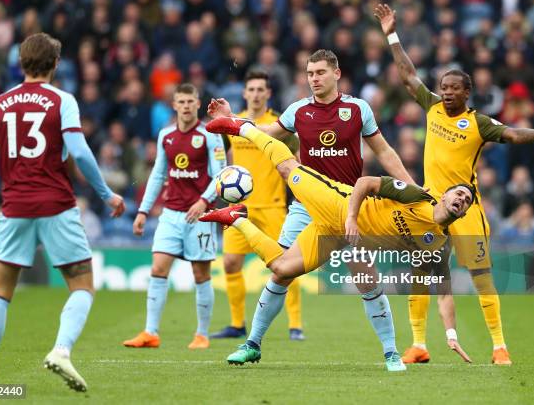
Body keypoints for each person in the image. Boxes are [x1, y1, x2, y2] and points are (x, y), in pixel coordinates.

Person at [200, 116, 474, 371]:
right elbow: (366, 182)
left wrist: (451, 335)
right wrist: (352, 218)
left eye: (467, 200)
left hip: (346, 236)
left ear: (463, 212)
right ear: (445, 195)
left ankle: (236, 219)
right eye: (459, 192)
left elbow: (445, 293)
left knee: (286, 269)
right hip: (338, 205)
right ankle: (243, 128)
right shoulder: (417, 197)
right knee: (287, 169)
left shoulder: (440, 243)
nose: (461, 199)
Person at [374, 3, 534, 365]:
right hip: (430, 206)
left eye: (454, 88)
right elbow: (407, 76)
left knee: (480, 275)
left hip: (466, 210)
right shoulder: (429, 106)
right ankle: (418, 345)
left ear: (467, 93)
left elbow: (510, 134)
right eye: (443, 86)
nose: (445, 92)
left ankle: (499, 347)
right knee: (421, 270)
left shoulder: (478, 123)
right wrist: (392, 35)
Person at [208, 49, 414, 360]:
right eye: (309, 73)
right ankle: (252, 344)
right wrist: (232, 118)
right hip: (306, 207)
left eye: (320, 72)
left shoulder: (358, 109)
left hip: (349, 207)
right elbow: (262, 133)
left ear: (336, 73)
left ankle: (391, 352)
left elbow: (384, 152)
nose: (314, 79)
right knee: (280, 272)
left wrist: (411, 188)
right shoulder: (298, 111)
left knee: (366, 279)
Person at [0, 33, 126, 391]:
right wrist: (106, 193)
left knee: (0, 291)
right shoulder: (61, 100)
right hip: (56, 205)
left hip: (15, 207)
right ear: (55, 65)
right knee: (82, 285)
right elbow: (80, 154)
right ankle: (61, 350)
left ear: (21, 64)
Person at [122, 83, 226, 350]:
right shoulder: (165, 135)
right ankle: (150, 332)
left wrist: (204, 201)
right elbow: (158, 175)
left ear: (198, 103)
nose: (186, 106)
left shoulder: (210, 135)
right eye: (181, 102)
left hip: (200, 216)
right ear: (174, 104)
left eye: (191, 101)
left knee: (200, 274)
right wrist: (143, 211)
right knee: (158, 268)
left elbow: (221, 175)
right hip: (170, 214)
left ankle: (202, 334)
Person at [210, 69, 304, 341]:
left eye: (260, 89)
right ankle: (237, 323)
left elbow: (297, 159)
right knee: (229, 263)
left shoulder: (279, 126)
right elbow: (226, 156)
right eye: (251, 89)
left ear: (268, 93)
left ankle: (295, 325)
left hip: (273, 206)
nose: (255, 94)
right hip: (241, 206)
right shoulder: (234, 124)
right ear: (244, 93)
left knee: (289, 264)